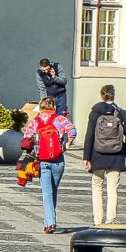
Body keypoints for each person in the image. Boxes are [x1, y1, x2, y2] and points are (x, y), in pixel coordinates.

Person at [23, 96, 77, 234]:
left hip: (42, 161)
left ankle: (51, 222)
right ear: (53, 107)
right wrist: (67, 144)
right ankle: (49, 222)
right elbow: (72, 131)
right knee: (53, 190)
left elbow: (26, 138)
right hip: (58, 160)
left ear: (40, 107)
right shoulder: (60, 119)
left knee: (47, 192)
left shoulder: (35, 121)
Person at [83, 84, 126, 226]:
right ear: (114, 96)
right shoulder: (121, 113)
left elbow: (89, 136)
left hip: (97, 155)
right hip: (116, 156)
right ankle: (110, 219)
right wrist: (124, 152)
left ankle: (97, 220)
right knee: (112, 189)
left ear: (101, 95)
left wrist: (86, 157)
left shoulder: (95, 113)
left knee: (97, 187)